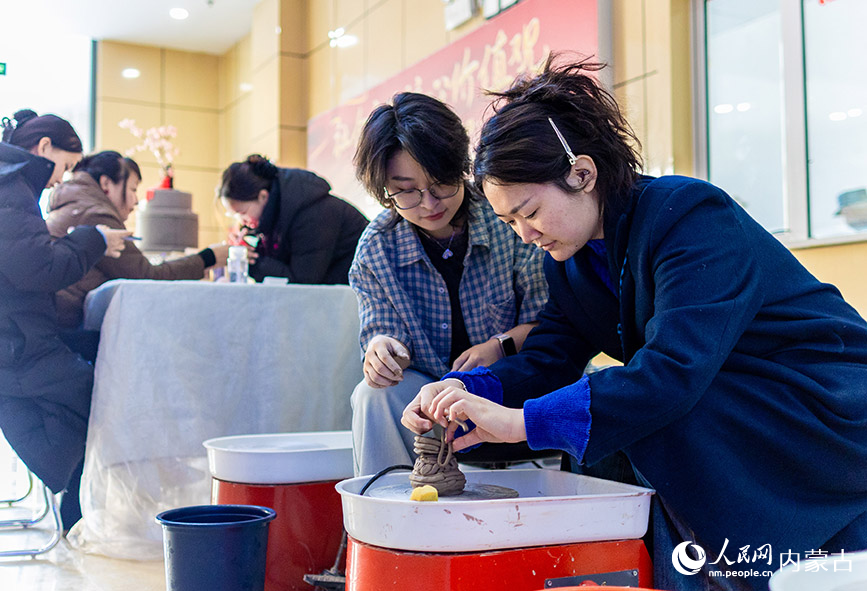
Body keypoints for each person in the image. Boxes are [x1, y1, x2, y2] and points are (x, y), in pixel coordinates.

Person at [401, 56, 867, 590]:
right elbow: (548, 359)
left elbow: (673, 371)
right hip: (731, 402)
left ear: (582, 173)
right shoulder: (573, 263)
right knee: (622, 414)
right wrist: (463, 391)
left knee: (654, 412)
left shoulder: (689, 217)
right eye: (509, 223)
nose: (525, 236)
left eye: (528, 213)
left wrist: (521, 423)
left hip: (824, 406)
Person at [349, 92, 548, 476]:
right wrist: (381, 349)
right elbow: (379, 327)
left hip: (513, 383)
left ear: (461, 167)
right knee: (375, 395)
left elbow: (553, 325)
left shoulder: (507, 220)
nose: (429, 203)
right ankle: (389, 523)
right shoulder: (377, 248)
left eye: (441, 182)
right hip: (427, 399)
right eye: (406, 190)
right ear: (384, 191)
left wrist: (500, 347)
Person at [0, 109, 129, 528]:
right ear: (43, 149)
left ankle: (69, 495)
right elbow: (38, 268)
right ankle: (76, 504)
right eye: (67, 165)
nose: (61, 179)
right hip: (18, 345)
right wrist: (93, 239)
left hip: (16, 341)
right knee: (104, 396)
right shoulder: (11, 186)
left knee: (62, 396)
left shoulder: (12, 185)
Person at [46, 151, 230, 333]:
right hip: (66, 329)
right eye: (133, 189)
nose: (136, 201)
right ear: (106, 184)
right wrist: (208, 258)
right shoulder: (96, 215)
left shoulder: (74, 205)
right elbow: (147, 276)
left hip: (54, 321)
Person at [218, 155, 368, 284]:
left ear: (263, 196)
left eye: (242, 212)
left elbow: (302, 283)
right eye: (234, 215)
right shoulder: (279, 215)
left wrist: (254, 260)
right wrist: (251, 248)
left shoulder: (311, 212)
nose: (241, 221)